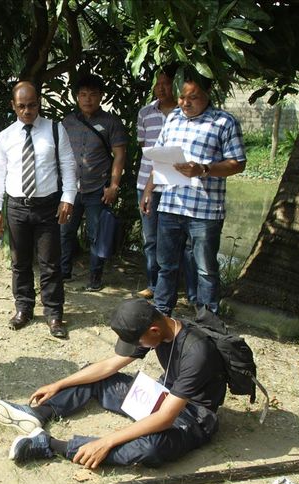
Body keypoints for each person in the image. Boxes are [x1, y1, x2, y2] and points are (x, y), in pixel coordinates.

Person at [0, 298, 227, 468]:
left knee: (152, 448)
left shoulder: (197, 351)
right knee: (97, 376)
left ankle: (49, 445)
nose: (139, 346)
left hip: (192, 415)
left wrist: (107, 441)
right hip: (164, 394)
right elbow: (109, 365)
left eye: (139, 341)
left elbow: (165, 418)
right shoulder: (156, 327)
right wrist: (58, 384)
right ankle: (38, 413)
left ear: (154, 330)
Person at [143, 72, 246, 316]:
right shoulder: (173, 119)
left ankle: (208, 317)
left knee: (205, 269)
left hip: (205, 211)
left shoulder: (224, 122)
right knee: (166, 265)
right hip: (170, 205)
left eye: (193, 98)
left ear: (208, 95)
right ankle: (161, 312)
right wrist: (149, 190)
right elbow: (160, 157)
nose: (185, 103)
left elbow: (238, 163)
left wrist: (204, 169)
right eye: (181, 97)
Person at [0, 82, 77, 338]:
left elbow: (69, 166)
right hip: (17, 207)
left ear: (39, 103)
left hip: (48, 206)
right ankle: (23, 308)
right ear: (13, 106)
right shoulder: (5, 137)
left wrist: (68, 198)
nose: (27, 111)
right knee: (20, 263)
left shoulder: (55, 130)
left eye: (32, 105)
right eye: (21, 106)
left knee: (50, 264)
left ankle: (54, 314)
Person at [60, 74, 127, 291]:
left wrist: (114, 185)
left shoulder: (110, 123)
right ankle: (63, 272)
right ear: (77, 97)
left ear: (101, 97)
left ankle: (95, 277)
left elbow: (119, 155)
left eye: (93, 95)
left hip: (98, 189)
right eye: (83, 95)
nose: (88, 99)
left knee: (96, 234)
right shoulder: (67, 122)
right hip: (70, 188)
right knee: (65, 230)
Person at [136, 67, 197, 303]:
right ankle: (154, 285)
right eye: (157, 83)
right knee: (150, 238)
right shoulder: (145, 113)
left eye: (166, 83)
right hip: (147, 183)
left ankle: (191, 293)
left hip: (176, 185)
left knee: (185, 243)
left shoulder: (186, 115)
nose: (161, 88)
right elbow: (144, 146)